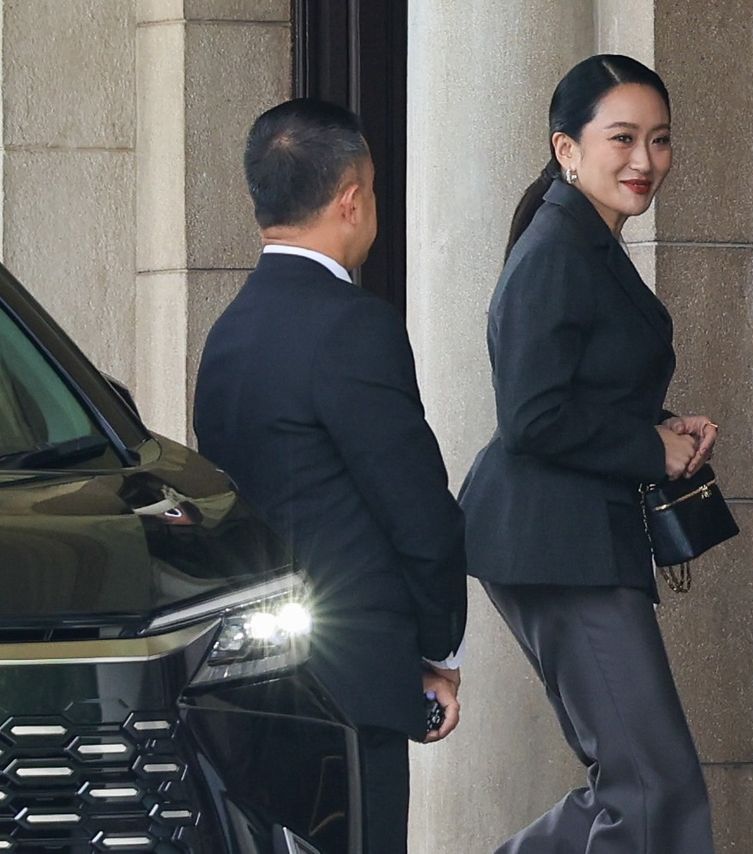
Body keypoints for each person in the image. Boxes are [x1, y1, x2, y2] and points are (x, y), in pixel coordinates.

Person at [193, 98, 467, 854]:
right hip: (353, 680)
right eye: (371, 190)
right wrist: (439, 653)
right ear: (351, 200)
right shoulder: (354, 324)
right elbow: (419, 511)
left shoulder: (227, 333)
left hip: (251, 682)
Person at [460, 55, 718, 853]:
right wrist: (648, 446)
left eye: (660, 139)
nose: (645, 160)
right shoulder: (556, 249)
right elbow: (531, 416)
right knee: (651, 787)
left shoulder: (585, 241)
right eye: (623, 138)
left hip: (573, 539)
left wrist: (663, 428)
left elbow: (577, 390)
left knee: (645, 786)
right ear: (566, 148)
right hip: (555, 542)